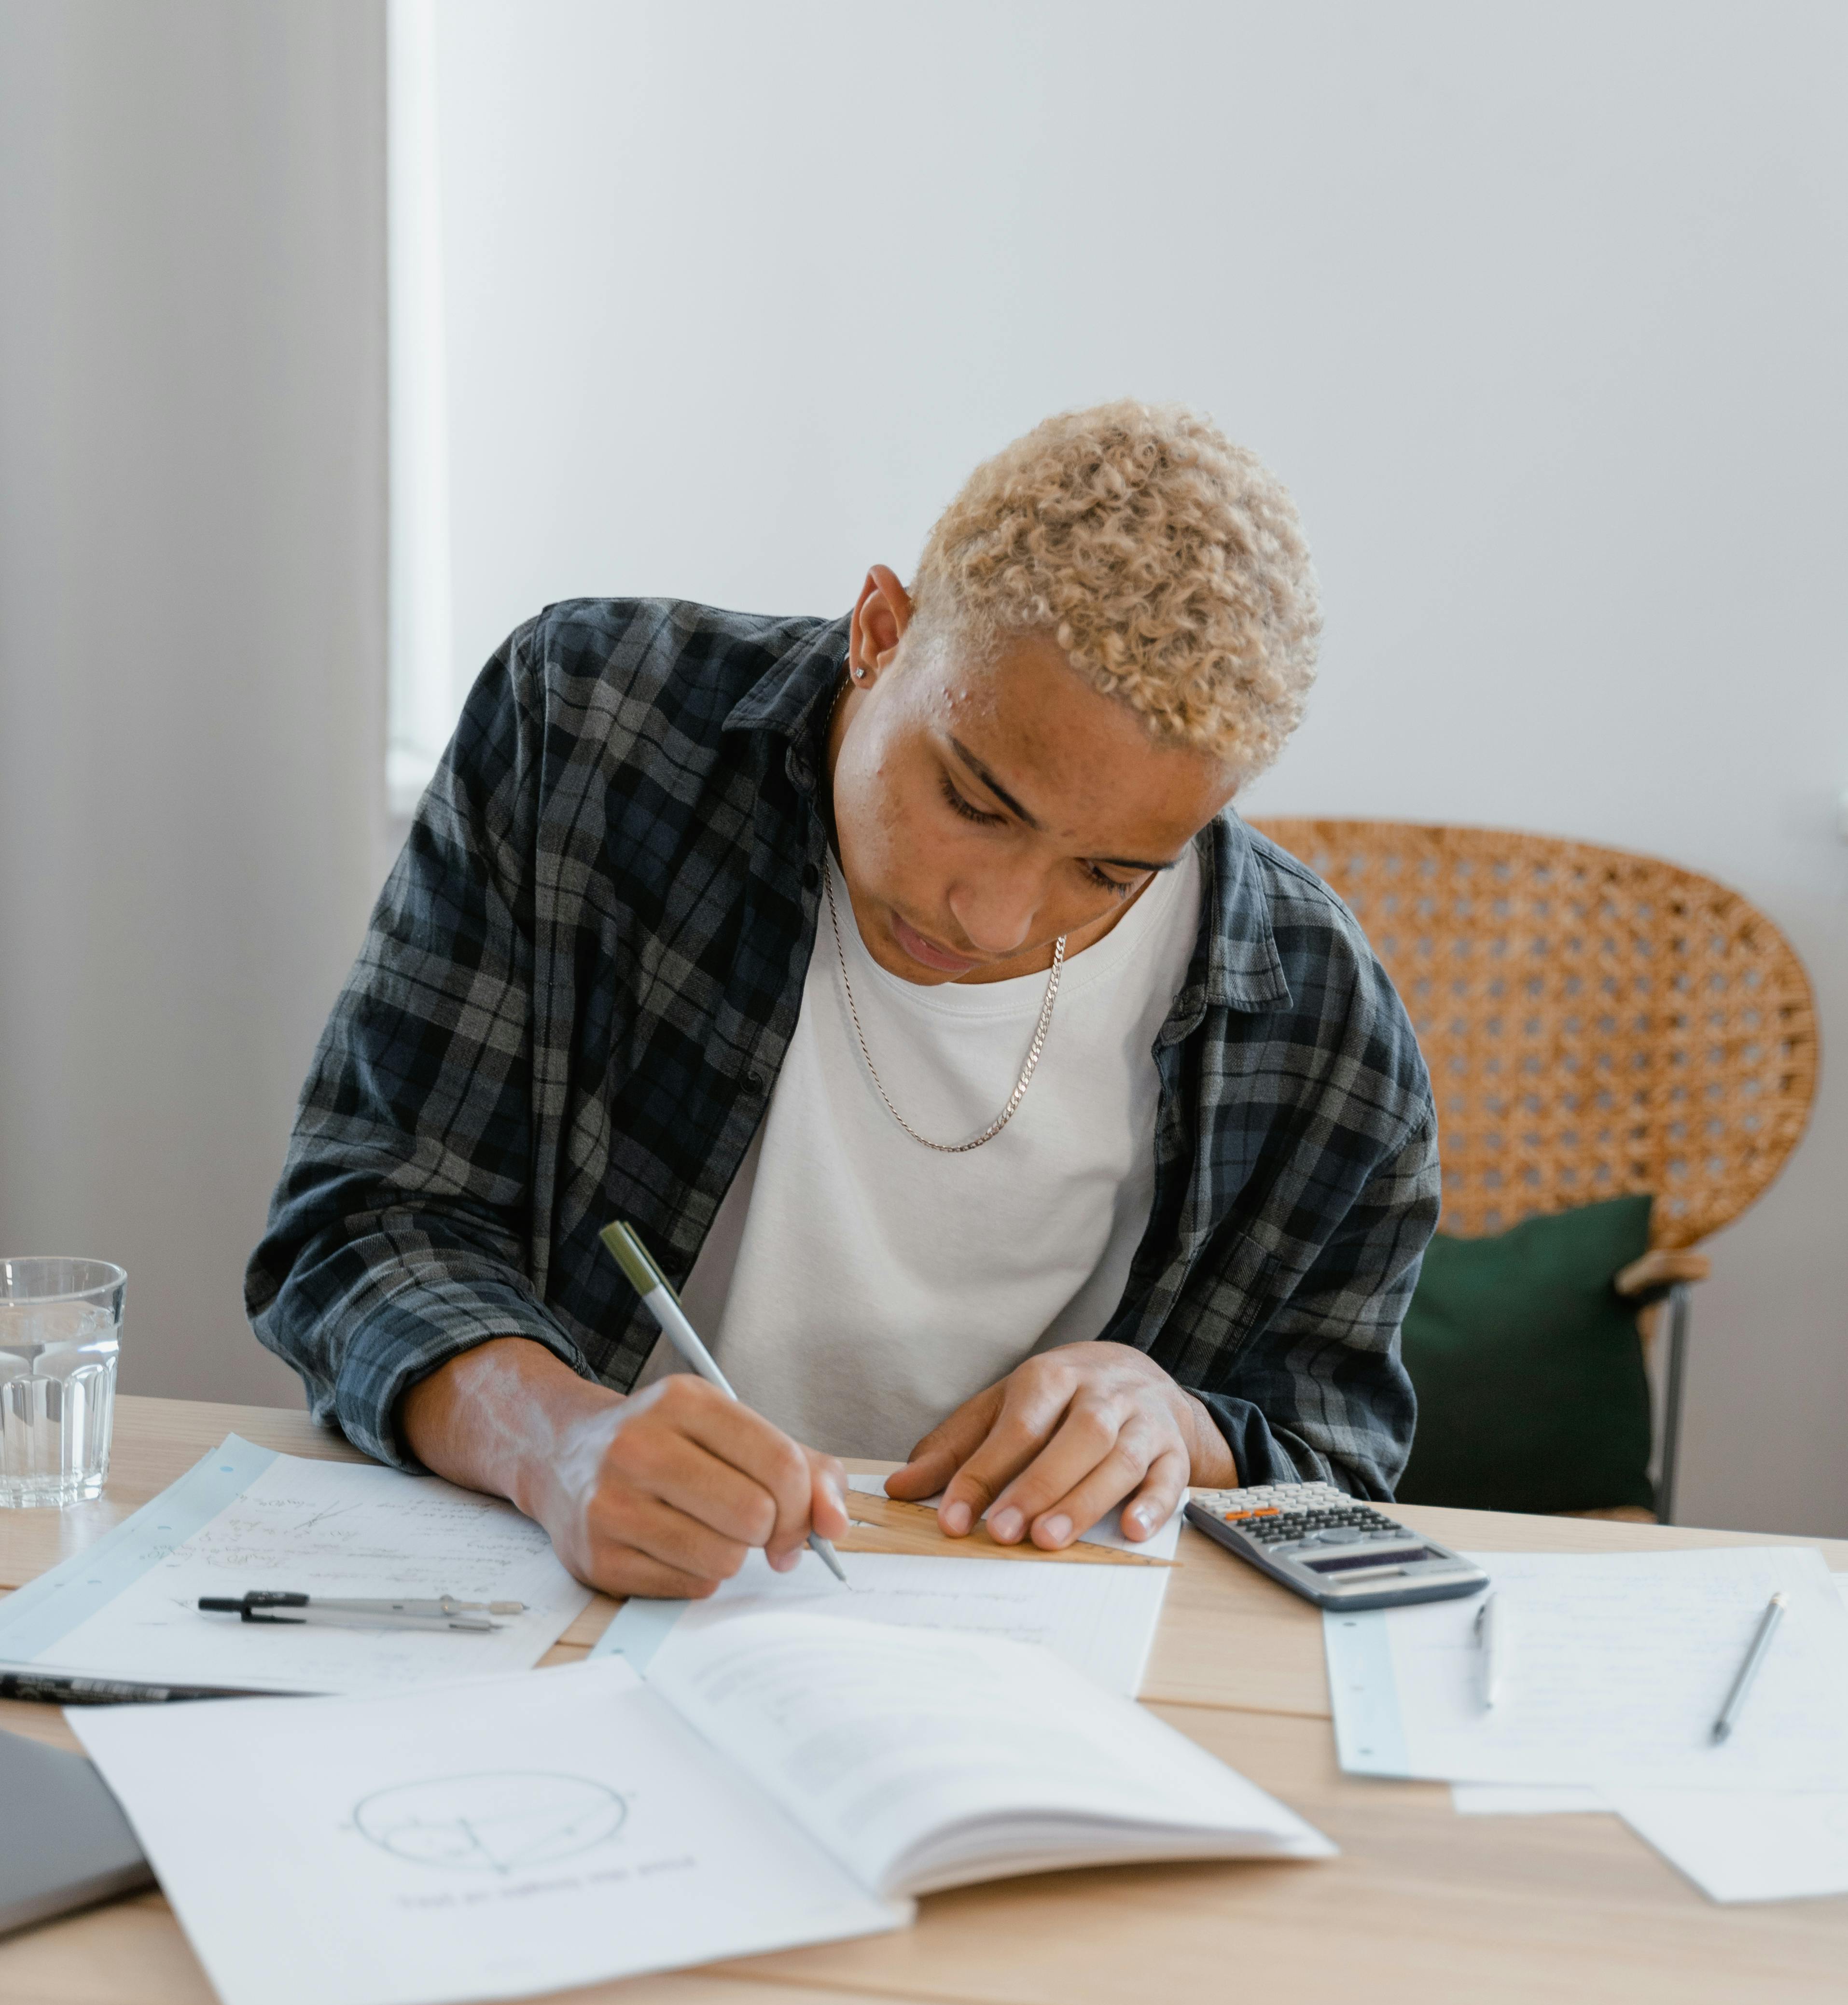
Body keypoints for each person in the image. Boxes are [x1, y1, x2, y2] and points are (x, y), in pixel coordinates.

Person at [248, 402, 1438, 1600]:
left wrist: (1178, 1426)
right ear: (882, 629)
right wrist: (558, 1441)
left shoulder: (1322, 1029)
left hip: (1026, 1685)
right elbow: (360, 1222)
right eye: (976, 802)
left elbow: (1341, 1472)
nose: (996, 920)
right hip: (556, 1604)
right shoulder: (589, 729)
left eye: (1109, 874)